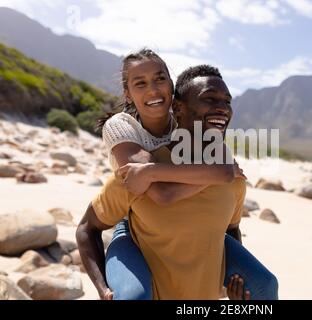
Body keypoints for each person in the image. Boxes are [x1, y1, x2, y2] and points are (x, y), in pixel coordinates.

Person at [76, 64, 278, 300]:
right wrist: (103, 288)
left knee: (265, 287)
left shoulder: (232, 178)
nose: (222, 108)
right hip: (141, 263)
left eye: (227, 101)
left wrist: (234, 281)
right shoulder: (140, 173)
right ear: (178, 108)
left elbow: (231, 229)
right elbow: (86, 229)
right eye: (210, 99)